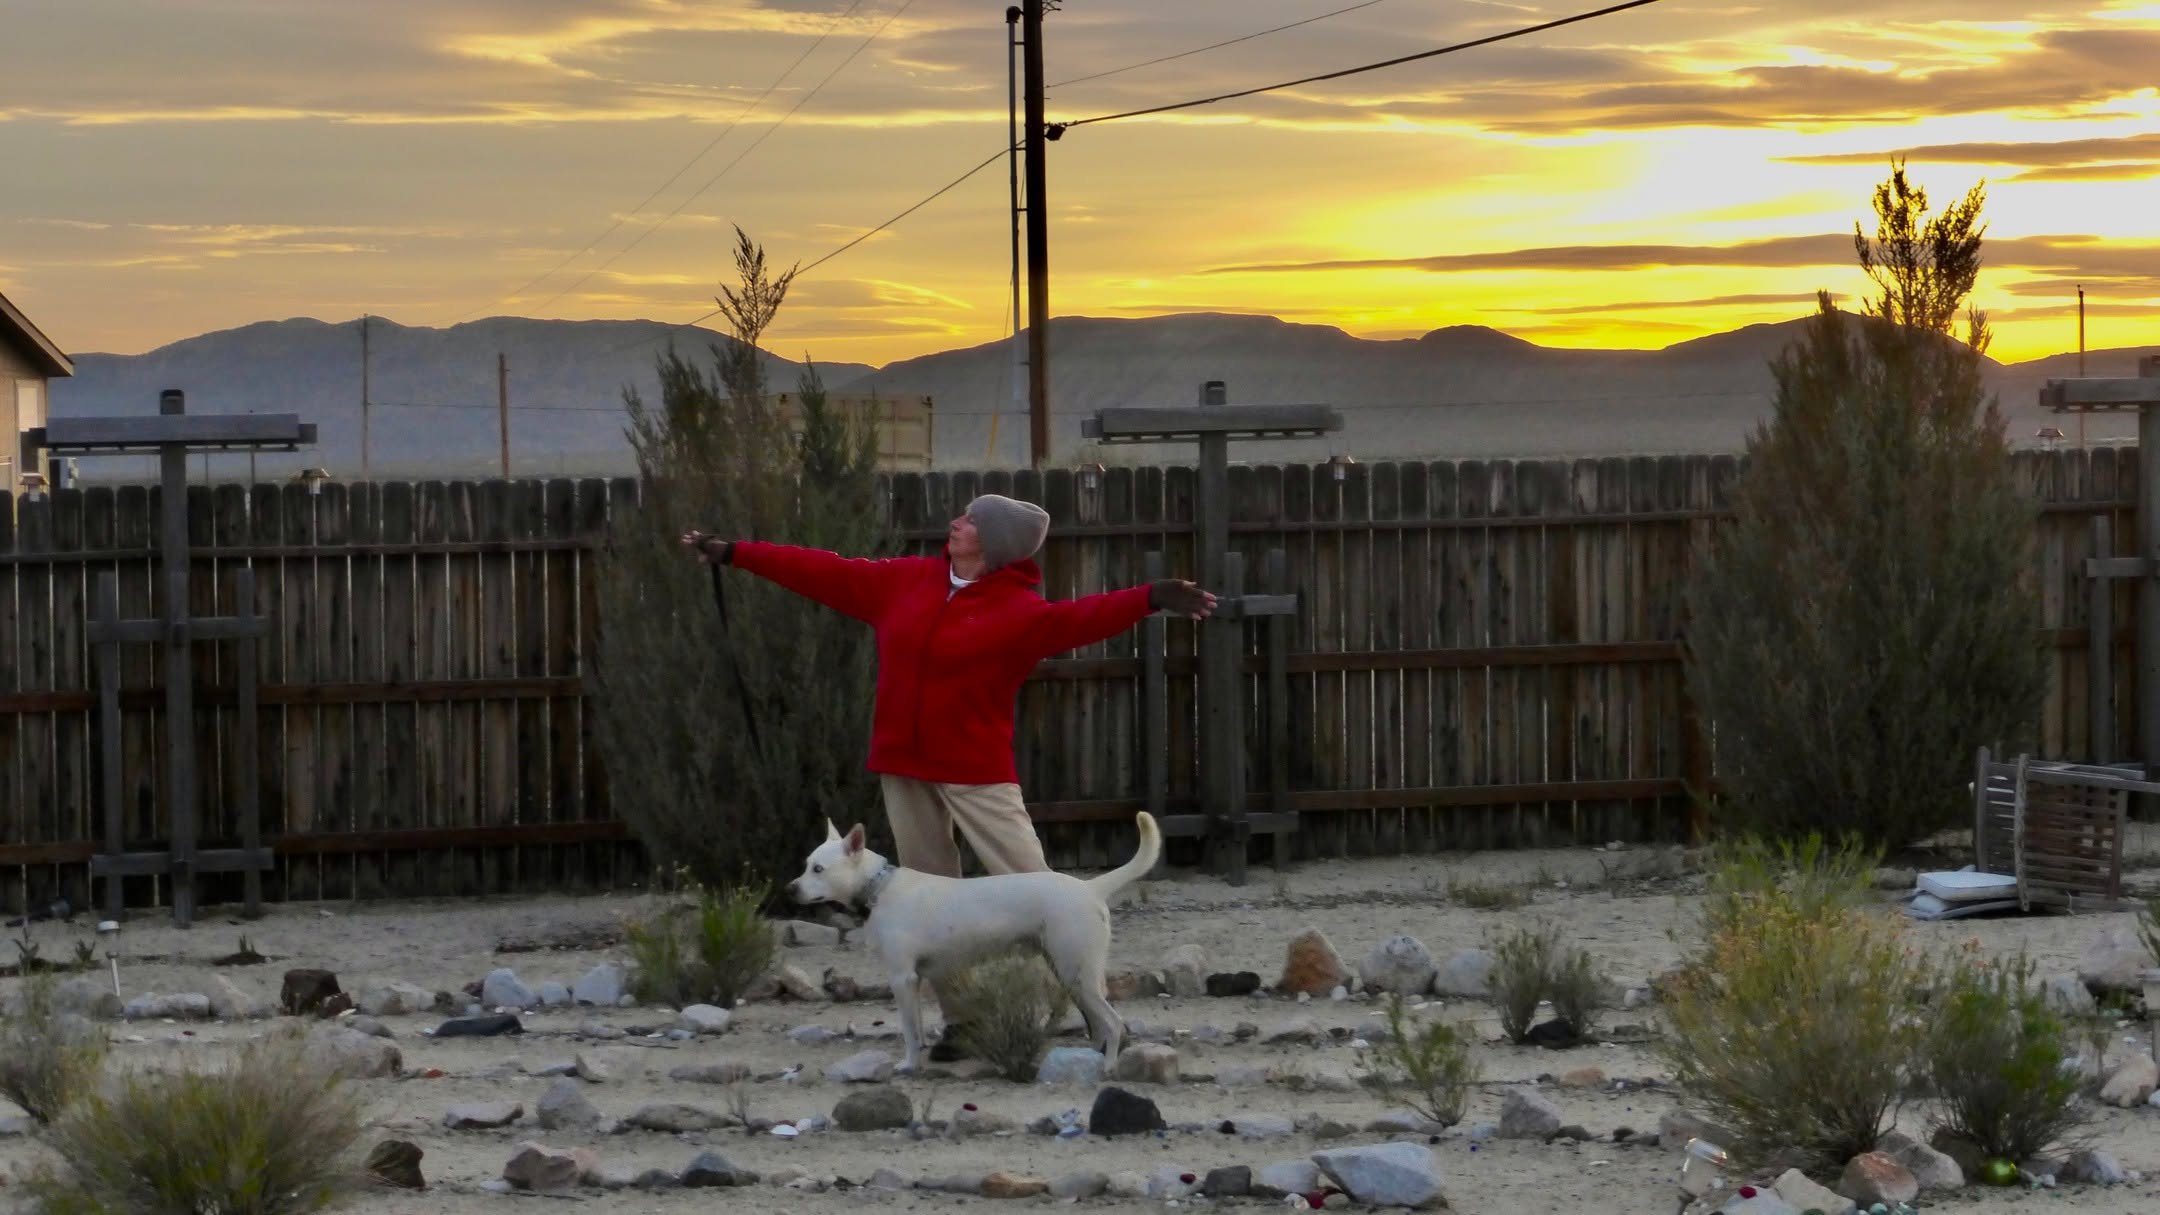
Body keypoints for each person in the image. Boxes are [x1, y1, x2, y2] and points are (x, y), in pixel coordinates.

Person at [682, 493, 1215, 1057]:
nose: (955, 524)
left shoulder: (1020, 612)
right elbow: (823, 570)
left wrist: (1151, 597)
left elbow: (1085, 617)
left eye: (969, 520)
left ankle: (1079, 1009)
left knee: (1037, 882)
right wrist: (736, 553)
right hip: (904, 767)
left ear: (992, 543)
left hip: (976, 772)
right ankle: (964, 1024)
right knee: (928, 905)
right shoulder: (906, 582)